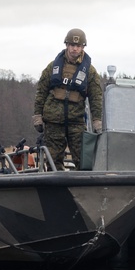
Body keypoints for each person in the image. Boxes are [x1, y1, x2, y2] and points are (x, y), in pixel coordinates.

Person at [33, 28, 103, 170]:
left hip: (76, 121)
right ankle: (55, 189)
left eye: (78, 46)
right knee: (53, 161)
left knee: (84, 160)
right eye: (72, 45)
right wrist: (37, 115)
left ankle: (83, 190)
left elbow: (96, 97)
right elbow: (41, 92)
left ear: (82, 47)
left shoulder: (89, 71)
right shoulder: (53, 67)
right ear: (66, 45)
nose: (74, 49)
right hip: (53, 120)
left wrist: (97, 120)